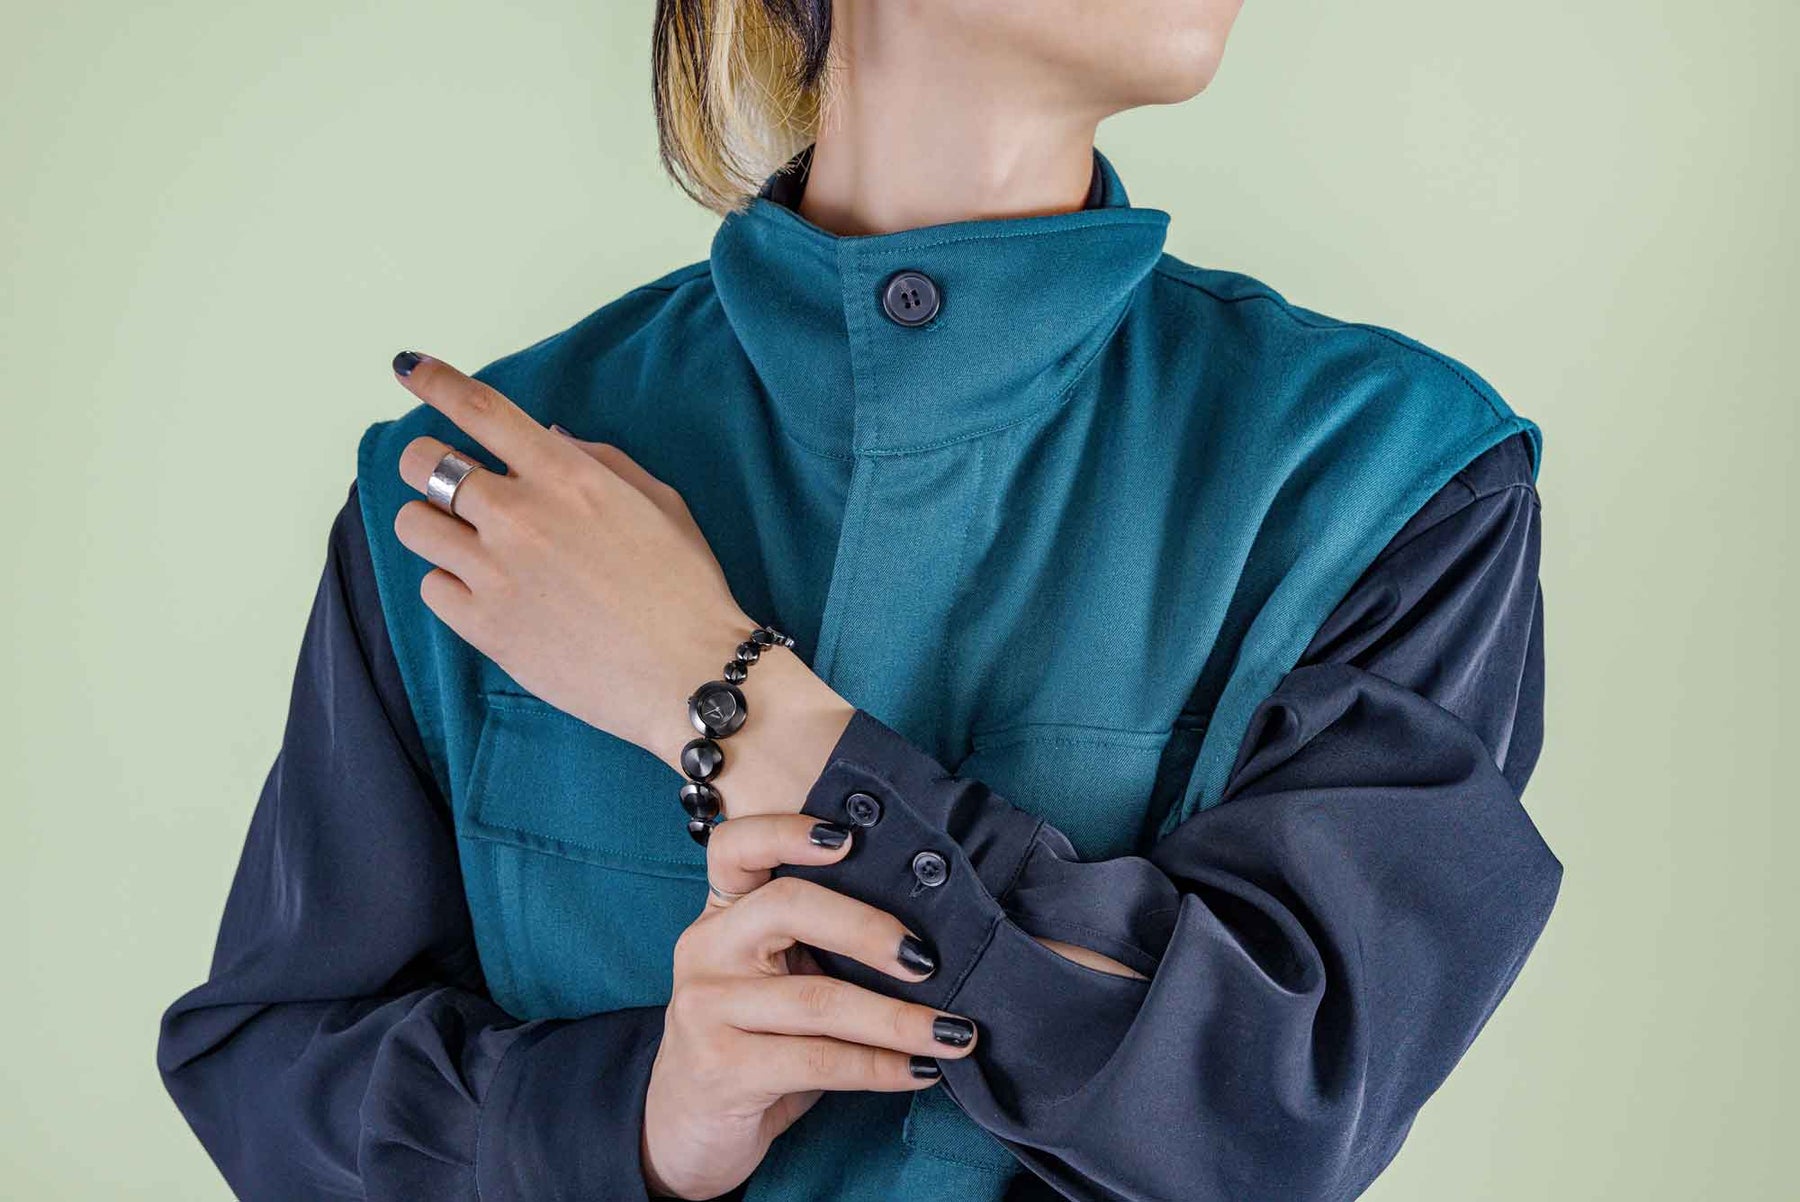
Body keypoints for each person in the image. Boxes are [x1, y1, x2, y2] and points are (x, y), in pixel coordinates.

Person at [158, 2, 1562, 1199]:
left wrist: (730, 700)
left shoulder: (1387, 479)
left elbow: (1279, 1109)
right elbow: (273, 1071)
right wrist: (637, 1119)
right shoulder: (493, 491)